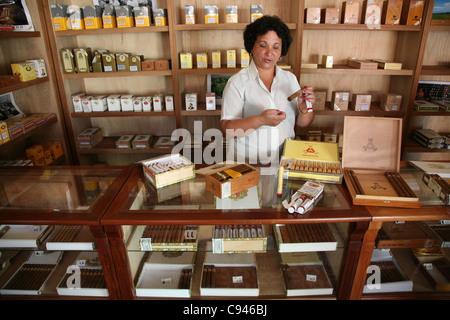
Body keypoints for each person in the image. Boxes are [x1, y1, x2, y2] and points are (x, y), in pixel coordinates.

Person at [221, 15, 315, 164]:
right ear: (252, 46)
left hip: (284, 161)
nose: (269, 52)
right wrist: (260, 120)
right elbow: (228, 128)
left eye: (276, 47)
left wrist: (305, 109)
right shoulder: (237, 82)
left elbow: (303, 123)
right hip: (247, 164)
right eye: (263, 45)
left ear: (282, 51)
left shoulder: (290, 79)